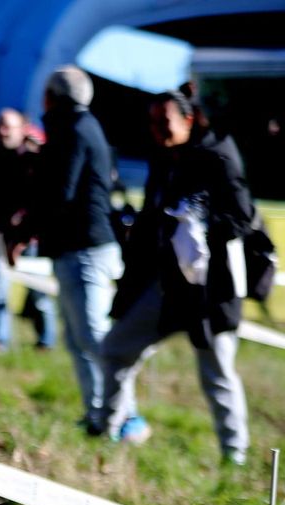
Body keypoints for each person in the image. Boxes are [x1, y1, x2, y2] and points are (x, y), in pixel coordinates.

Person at [99, 92, 255, 466]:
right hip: (166, 286)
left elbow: (242, 218)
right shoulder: (163, 157)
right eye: (152, 123)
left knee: (216, 372)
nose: (157, 130)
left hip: (210, 291)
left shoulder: (218, 154)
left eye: (164, 122)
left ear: (188, 120)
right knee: (116, 349)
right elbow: (153, 218)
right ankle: (106, 430)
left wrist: (199, 225)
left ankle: (234, 457)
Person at [24, 66, 119, 435]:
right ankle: (98, 416)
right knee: (79, 339)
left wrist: (26, 229)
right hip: (80, 245)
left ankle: (122, 416)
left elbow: (59, 191)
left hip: (85, 247)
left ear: (51, 97)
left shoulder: (72, 131)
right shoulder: (84, 126)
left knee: (94, 337)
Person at [0, 109, 56, 351]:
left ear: (22, 129)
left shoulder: (33, 160)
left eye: (8, 127)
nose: (2, 132)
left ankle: (46, 340)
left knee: (39, 294)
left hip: (30, 240)